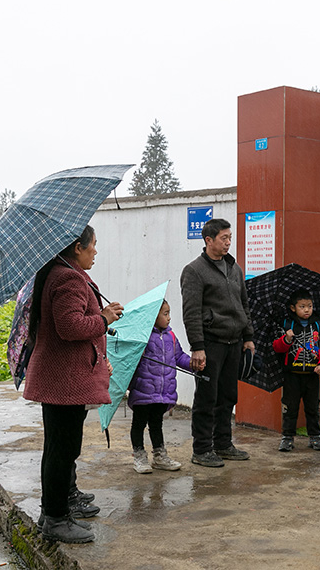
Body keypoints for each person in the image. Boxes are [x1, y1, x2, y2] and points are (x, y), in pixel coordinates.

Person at [24, 225, 124, 544]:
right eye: (93, 245)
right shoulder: (67, 277)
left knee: (60, 448)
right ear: (78, 247)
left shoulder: (63, 272)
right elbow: (69, 326)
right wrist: (105, 319)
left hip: (64, 380)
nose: (96, 251)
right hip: (63, 383)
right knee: (62, 450)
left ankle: (58, 508)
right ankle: (54, 518)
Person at [180, 218, 255, 467]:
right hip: (210, 344)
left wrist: (248, 337)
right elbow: (191, 312)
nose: (228, 242)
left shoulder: (235, 269)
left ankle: (223, 444)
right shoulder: (194, 271)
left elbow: (244, 304)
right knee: (206, 398)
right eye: (224, 238)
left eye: (230, 237)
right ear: (208, 240)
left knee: (228, 396)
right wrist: (197, 347)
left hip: (234, 342)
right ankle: (201, 449)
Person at [128, 299, 191, 474]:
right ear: (153, 316)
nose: (169, 318)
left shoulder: (171, 336)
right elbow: (130, 359)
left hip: (163, 392)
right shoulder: (143, 335)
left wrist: (192, 363)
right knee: (139, 423)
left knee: (156, 423)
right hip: (143, 390)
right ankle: (139, 455)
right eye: (165, 313)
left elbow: (179, 357)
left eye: (169, 313)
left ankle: (159, 456)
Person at [272, 288, 320, 452]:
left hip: (312, 375)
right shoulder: (286, 325)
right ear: (293, 308)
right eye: (302, 306)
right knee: (289, 407)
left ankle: (315, 436)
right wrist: (286, 339)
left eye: (309, 306)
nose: (307, 310)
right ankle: (287, 437)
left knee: (313, 407)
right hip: (291, 375)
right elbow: (277, 347)